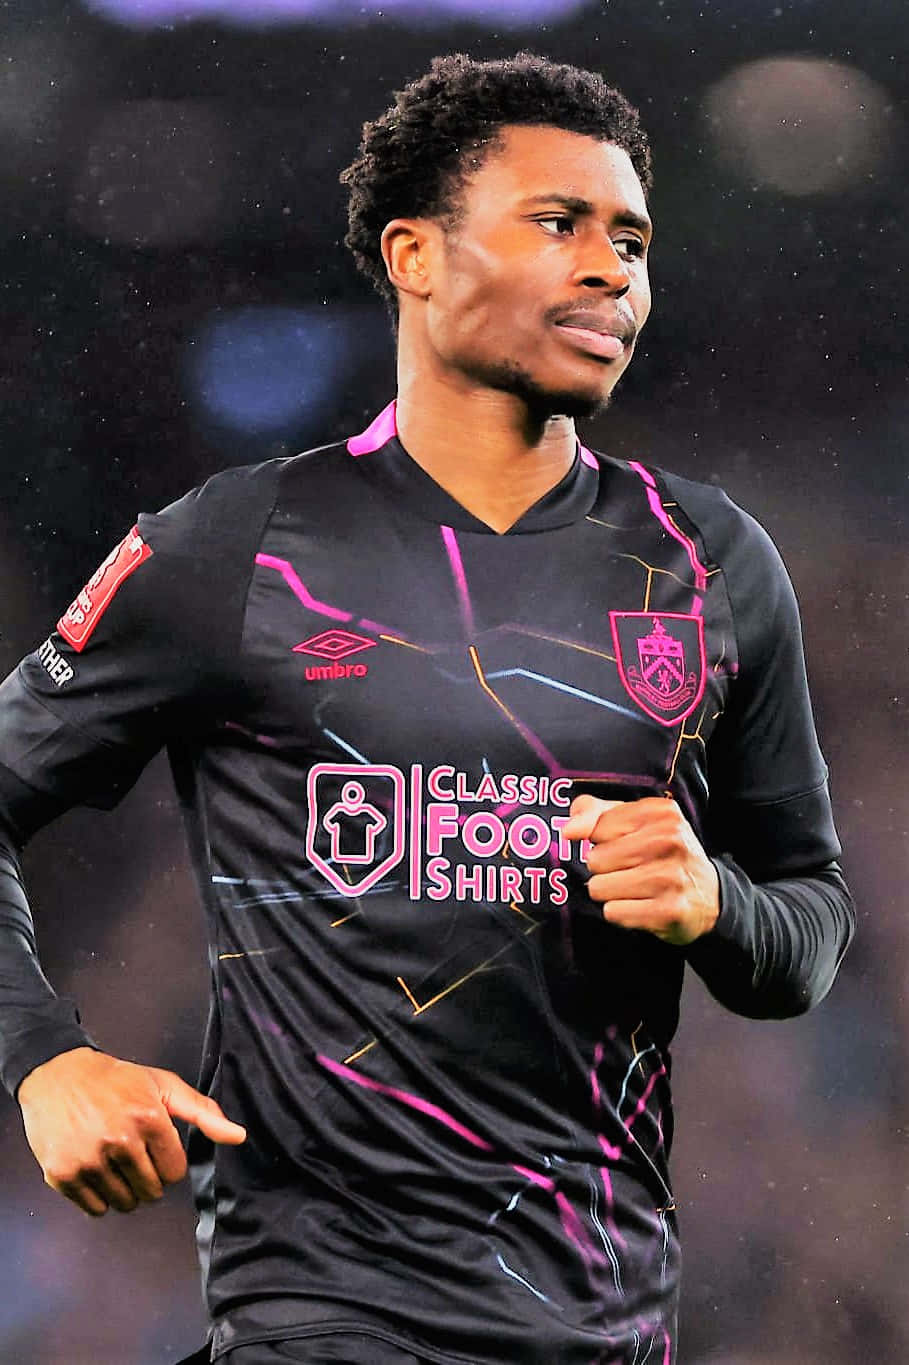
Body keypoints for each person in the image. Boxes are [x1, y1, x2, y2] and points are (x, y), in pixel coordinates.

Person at [0, 52, 854, 1365]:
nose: (609, 270)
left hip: (604, 1329)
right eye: (557, 224)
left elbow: (808, 927)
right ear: (413, 255)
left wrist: (718, 905)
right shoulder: (236, 545)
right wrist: (46, 1058)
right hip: (313, 1322)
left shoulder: (710, 562)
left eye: (630, 240)